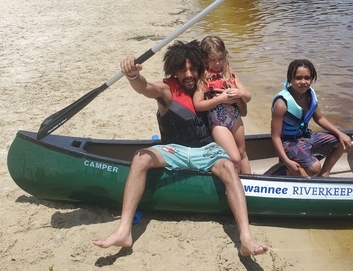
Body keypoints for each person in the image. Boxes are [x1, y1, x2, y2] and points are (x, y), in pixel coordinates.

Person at [91, 40, 268, 257]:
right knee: (140, 157)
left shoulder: (208, 86)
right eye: (183, 70)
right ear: (173, 70)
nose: (189, 74)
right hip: (174, 149)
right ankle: (123, 230)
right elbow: (146, 88)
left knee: (230, 167)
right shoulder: (167, 90)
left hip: (206, 150)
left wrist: (241, 101)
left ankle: (246, 240)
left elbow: (240, 109)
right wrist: (133, 76)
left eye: (193, 69)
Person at [270, 59, 352, 177]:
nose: (303, 82)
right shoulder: (281, 103)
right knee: (314, 167)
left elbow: (319, 118)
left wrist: (340, 134)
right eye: (298, 78)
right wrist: (287, 162)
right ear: (290, 79)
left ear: (312, 79)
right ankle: (289, 174)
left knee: (342, 142)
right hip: (288, 142)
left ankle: (324, 174)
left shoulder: (310, 95)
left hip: (305, 137)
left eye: (307, 78)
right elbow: (275, 136)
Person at [193, 35, 252, 174]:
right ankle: (233, 187)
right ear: (204, 59)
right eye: (212, 60)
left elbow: (248, 96)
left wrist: (239, 93)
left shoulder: (228, 72)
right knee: (235, 158)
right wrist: (221, 99)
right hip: (218, 122)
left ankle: (251, 182)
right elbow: (198, 104)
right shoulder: (203, 78)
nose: (218, 63)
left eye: (220, 59)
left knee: (242, 152)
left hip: (235, 117)